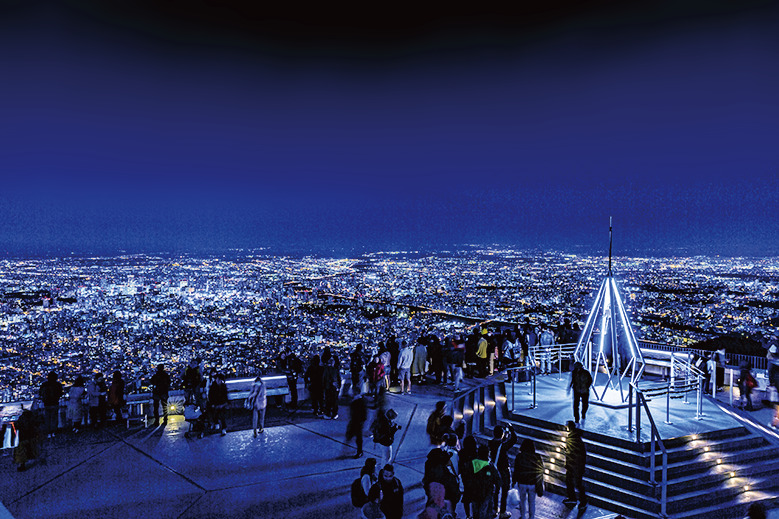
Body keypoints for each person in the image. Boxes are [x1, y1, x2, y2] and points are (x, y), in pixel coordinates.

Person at [488, 425, 517, 519]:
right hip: (504, 470)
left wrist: (503, 437)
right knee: (505, 490)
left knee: (495, 490)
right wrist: (511, 429)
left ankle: (494, 509)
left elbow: (498, 442)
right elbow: (514, 440)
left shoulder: (491, 443)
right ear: (502, 434)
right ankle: (503, 512)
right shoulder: (503, 446)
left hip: (494, 469)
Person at [512, 439, 545, 519]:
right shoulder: (537, 457)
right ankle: (531, 517)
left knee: (522, 501)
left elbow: (516, 470)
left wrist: (514, 481)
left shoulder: (519, 456)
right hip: (532, 483)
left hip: (522, 482)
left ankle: (523, 516)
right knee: (532, 502)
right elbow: (540, 471)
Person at [467, 444, 501, 519]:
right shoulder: (490, 466)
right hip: (487, 494)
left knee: (476, 513)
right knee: (485, 514)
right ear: (488, 454)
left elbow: (467, 478)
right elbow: (498, 481)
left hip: (474, 493)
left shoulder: (472, 464)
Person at [563, 421, 587, 510]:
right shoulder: (576, 437)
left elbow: (574, 453)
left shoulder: (573, 438)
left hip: (575, 465)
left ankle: (582, 501)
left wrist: (566, 451)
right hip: (575, 465)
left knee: (578, 483)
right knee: (571, 481)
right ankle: (574, 498)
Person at [39, 371, 63, 438]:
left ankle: (48, 432)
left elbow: (40, 393)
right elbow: (60, 393)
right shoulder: (58, 384)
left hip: (46, 404)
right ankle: (53, 431)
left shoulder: (44, 384)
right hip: (55, 403)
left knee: (47, 418)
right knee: (54, 418)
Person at [347, 392, 368, 458]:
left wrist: (361, 421)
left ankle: (359, 451)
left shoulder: (359, 402)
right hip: (355, 420)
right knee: (353, 435)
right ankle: (357, 449)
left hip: (358, 421)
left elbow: (363, 414)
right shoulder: (356, 401)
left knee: (358, 437)